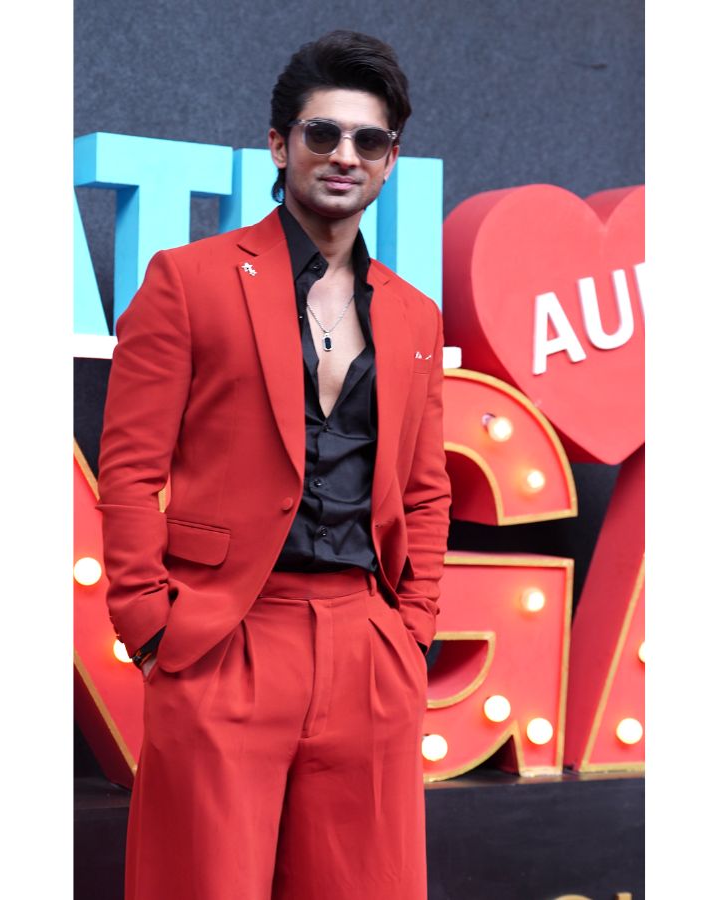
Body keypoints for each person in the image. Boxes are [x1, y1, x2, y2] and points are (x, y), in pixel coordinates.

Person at [97, 29, 451, 900]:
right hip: (225, 638)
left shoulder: (415, 316)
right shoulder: (188, 280)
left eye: (369, 140)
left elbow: (425, 489)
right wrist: (150, 627)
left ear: (390, 161)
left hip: (368, 647)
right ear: (279, 145)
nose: (345, 155)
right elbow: (130, 469)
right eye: (322, 133)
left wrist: (412, 632)